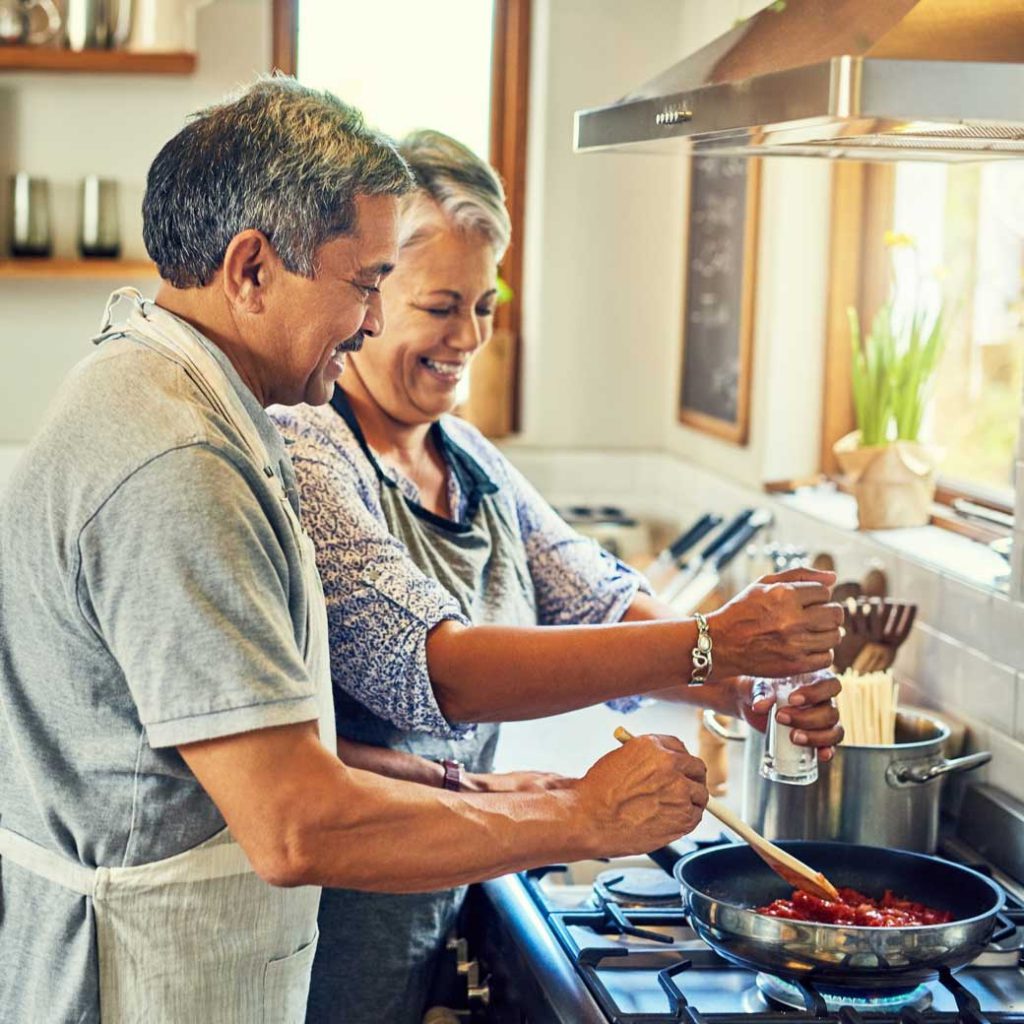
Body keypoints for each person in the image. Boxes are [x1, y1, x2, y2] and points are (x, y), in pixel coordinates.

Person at [0, 80, 718, 1024]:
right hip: (140, 984)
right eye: (367, 284)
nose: (375, 322)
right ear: (252, 269)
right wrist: (583, 817)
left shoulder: (173, 395)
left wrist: (463, 786)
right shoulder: (180, 463)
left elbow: (207, 740)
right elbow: (294, 823)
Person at [271, 129, 844, 1024]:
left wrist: (748, 690)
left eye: (487, 307)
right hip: (330, 917)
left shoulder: (467, 458)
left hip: (446, 886)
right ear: (373, 297)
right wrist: (711, 641)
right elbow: (434, 669)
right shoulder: (308, 445)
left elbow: (601, 598)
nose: (469, 338)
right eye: (442, 306)